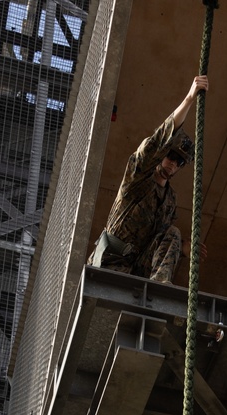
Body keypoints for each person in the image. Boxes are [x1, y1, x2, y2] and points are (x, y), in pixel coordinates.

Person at [89, 76, 208, 285]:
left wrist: (183, 247)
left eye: (179, 162)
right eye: (171, 156)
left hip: (137, 269)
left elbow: (159, 240)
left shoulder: (169, 200)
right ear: (162, 155)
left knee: (174, 233)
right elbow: (157, 141)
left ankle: (159, 286)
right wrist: (189, 98)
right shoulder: (138, 179)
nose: (173, 163)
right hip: (110, 262)